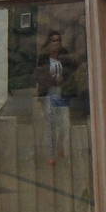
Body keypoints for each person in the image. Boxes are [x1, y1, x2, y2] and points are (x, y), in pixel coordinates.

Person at [33, 30, 77, 164]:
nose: (56, 43)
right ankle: (51, 154)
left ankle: (61, 148)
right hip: (49, 94)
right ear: (48, 43)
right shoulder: (43, 58)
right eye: (53, 40)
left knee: (64, 123)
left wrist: (64, 80)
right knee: (51, 124)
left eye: (58, 40)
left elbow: (72, 73)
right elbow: (39, 76)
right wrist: (52, 81)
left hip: (62, 94)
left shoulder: (64, 56)